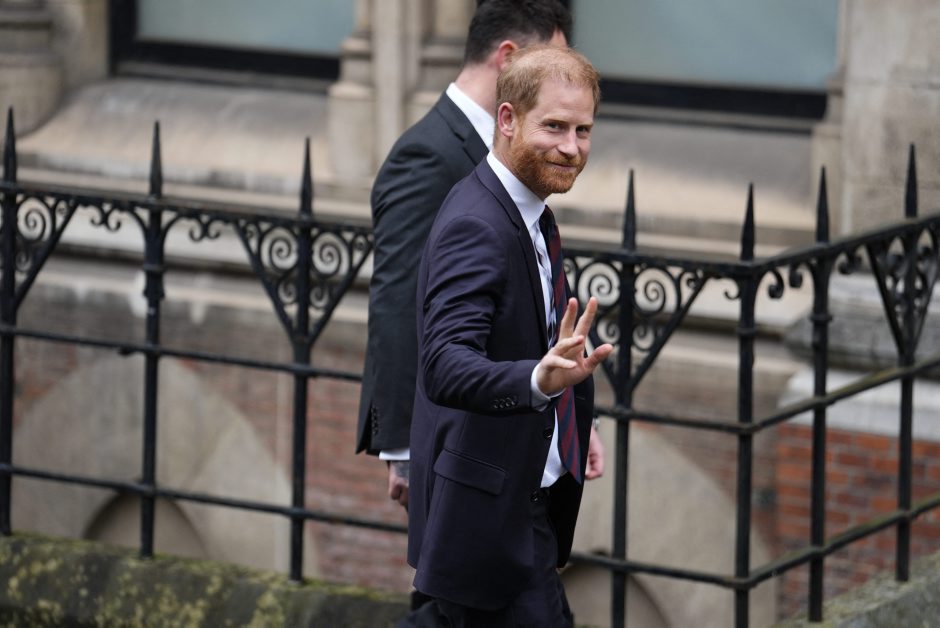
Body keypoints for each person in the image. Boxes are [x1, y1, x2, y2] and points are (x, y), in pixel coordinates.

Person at [357, 0, 607, 511]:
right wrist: (403, 447)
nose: (570, 142)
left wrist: (575, 419)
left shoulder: (526, 154)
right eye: (549, 61)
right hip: (456, 447)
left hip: (517, 442)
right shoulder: (428, 155)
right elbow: (399, 302)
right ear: (509, 58)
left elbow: (537, 297)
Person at [406, 45, 611, 627]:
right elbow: (445, 364)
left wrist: (574, 422)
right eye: (554, 126)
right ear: (507, 119)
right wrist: (540, 381)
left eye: (583, 130)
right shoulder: (479, 222)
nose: (571, 147)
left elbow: (533, 332)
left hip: (524, 504)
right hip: (490, 522)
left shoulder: (531, 210)